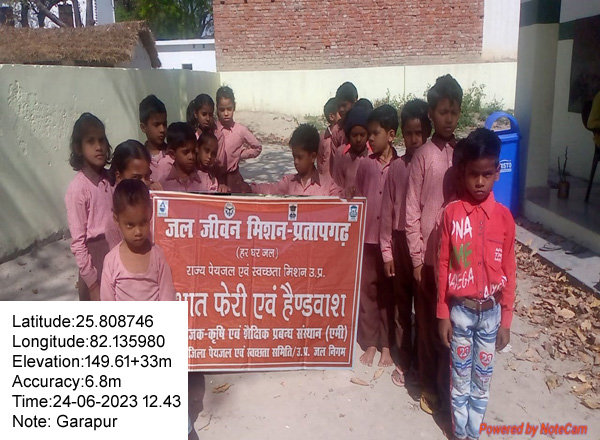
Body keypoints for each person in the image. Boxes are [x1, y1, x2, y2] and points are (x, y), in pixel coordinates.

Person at [437, 128, 515, 440]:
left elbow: (510, 269)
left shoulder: (505, 219)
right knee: (459, 380)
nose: (480, 182)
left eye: (487, 174)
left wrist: (506, 319)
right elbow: (443, 265)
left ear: (497, 173)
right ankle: (460, 433)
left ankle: (474, 432)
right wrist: (443, 313)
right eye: (473, 175)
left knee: (482, 380)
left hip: (491, 315)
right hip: (461, 312)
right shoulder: (451, 215)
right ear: (463, 173)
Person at [405, 74, 462, 414]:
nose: (449, 119)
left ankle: (450, 384)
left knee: (453, 326)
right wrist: (415, 257)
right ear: (431, 113)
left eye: (454, 112)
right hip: (428, 259)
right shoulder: (423, 156)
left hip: (458, 259)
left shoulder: (464, 153)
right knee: (427, 325)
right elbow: (412, 209)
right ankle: (429, 385)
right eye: (443, 112)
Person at [380, 99, 432, 386]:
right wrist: (387, 251)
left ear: (428, 131)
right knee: (402, 307)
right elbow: (387, 213)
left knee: (423, 309)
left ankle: (422, 364)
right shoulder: (396, 169)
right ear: (401, 133)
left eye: (419, 133)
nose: (414, 139)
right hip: (400, 244)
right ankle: (403, 361)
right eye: (409, 133)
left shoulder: (433, 164)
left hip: (423, 245)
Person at [352, 104, 399, 367]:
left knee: (388, 295)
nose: (370, 138)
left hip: (390, 245)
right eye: (368, 133)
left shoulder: (400, 167)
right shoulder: (365, 166)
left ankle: (386, 345)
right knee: (368, 292)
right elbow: (359, 198)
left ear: (391, 135)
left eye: (375, 133)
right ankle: (370, 342)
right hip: (367, 241)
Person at [100, 179, 176, 301]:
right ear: (116, 220)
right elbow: (107, 300)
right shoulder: (111, 261)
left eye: (143, 223)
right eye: (130, 225)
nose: (138, 232)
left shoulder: (157, 256)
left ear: (150, 214)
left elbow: (167, 295)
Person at [64, 113, 112, 301]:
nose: (99, 147)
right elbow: (78, 243)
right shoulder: (78, 189)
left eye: (101, 140)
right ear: (78, 148)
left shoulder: (111, 179)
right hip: (94, 261)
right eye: (91, 142)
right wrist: (92, 284)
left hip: (116, 254)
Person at [249, 124, 342, 196]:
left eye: (300, 157)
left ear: (313, 157)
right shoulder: (288, 183)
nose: (296, 162)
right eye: (294, 157)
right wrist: (248, 188)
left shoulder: (328, 187)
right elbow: (269, 189)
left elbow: (342, 203)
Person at [105, 139, 160, 250]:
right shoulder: (114, 220)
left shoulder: (154, 202)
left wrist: (164, 202)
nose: (144, 183)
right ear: (119, 177)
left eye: (147, 176)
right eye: (136, 177)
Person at [215, 86, 262, 189]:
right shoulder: (213, 129)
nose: (226, 113)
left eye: (229, 109)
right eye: (222, 110)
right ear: (217, 108)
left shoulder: (240, 130)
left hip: (233, 177)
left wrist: (240, 155)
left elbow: (257, 147)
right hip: (214, 177)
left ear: (234, 107)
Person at [159, 122, 218, 193]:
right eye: (186, 152)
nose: (191, 157)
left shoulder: (205, 180)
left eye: (193, 151)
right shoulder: (163, 184)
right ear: (172, 154)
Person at [332, 106, 372, 192]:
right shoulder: (341, 154)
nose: (358, 139)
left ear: (368, 135)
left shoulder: (372, 155)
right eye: (354, 135)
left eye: (362, 135)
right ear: (348, 135)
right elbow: (336, 186)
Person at [139, 94, 170, 180]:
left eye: (164, 124)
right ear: (143, 127)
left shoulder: (173, 156)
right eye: (156, 125)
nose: (162, 130)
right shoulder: (139, 158)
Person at [331, 81, 359, 150]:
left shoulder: (364, 126)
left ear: (354, 102)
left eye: (344, 105)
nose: (341, 109)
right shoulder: (337, 130)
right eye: (339, 106)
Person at [317, 97, 340, 177]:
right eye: (340, 113)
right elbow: (320, 163)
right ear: (331, 116)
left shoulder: (344, 135)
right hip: (326, 180)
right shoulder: (323, 138)